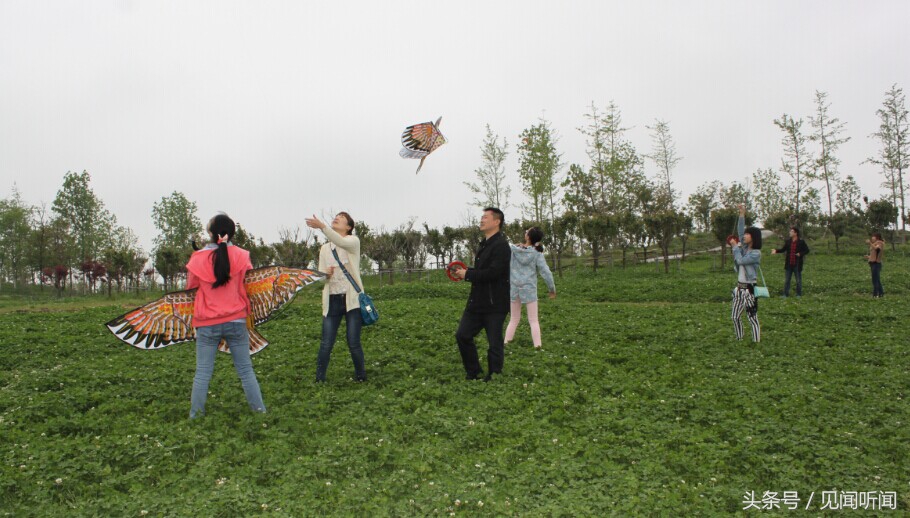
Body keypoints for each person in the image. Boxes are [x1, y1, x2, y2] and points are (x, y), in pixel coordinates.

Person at [186, 213, 266, 418]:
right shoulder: (242, 255)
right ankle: (260, 413)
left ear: (211, 233)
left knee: (203, 372)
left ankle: (195, 416)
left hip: (207, 322)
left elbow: (191, 287)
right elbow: (249, 284)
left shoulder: (197, 258)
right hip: (237, 320)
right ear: (231, 233)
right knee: (246, 371)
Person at [450, 207, 511, 381]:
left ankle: (494, 375)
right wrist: (465, 271)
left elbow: (493, 273)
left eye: (485, 217)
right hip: (477, 302)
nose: (481, 220)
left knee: (494, 342)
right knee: (463, 335)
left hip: (495, 304)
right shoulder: (484, 244)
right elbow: (481, 271)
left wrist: (467, 274)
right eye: (482, 217)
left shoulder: (502, 246)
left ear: (496, 221)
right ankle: (473, 372)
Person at [305, 212, 367, 382]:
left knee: (353, 342)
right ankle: (319, 379)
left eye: (341, 217)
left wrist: (322, 226)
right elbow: (320, 279)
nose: (336, 217)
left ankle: (361, 377)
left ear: (349, 227)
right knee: (326, 343)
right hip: (332, 300)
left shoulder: (352, 242)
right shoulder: (325, 248)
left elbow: (340, 241)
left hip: (351, 300)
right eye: (336, 216)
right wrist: (326, 274)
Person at [504, 226, 556, 349]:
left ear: (528, 237)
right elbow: (546, 272)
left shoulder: (513, 250)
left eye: (527, 231)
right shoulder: (537, 253)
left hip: (514, 288)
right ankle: (537, 347)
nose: (525, 232)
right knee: (533, 320)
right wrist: (552, 289)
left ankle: (506, 344)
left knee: (514, 319)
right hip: (529, 289)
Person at [727, 204, 762, 343]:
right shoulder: (746, 248)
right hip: (739, 288)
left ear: (753, 237)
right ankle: (739, 338)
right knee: (735, 316)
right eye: (745, 234)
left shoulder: (755, 253)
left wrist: (735, 247)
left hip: (749, 289)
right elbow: (740, 231)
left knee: (752, 317)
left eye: (748, 234)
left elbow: (740, 261)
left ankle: (756, 341)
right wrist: (742, 214)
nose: (744, 236)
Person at [771, 226, 810, 298]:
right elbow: (783, 249)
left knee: (798, 280)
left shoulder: (801, 242)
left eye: (791, 231)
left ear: (796, 233)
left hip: (797, 264)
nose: (790, 233)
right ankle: (785, 294)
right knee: (787, 280)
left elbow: (807, 250)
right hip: (789, 264)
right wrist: (776, 251)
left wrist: (800, 254)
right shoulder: (788, 241)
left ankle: (798, 294)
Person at [864, 232, 885, 298]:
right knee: (877, 279)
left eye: (874, 236)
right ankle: (881, 294)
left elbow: (877, 249)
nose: (872, 237)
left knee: (875, 280)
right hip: (873, 263)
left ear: (877, 237)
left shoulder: (880, 243)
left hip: (876, 264)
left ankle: (875, 295)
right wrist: (869, 257)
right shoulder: (875, 243)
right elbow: (875, 253)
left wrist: (870, 243)